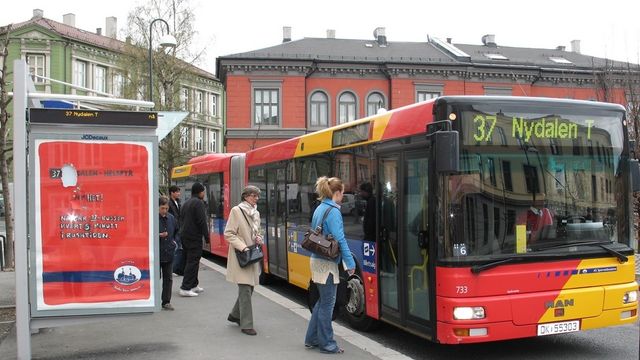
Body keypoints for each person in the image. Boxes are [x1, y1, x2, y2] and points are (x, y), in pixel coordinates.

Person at [304, 176, 356, 354]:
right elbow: (340, 238)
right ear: (337, 192)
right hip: (327, 263)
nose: (343, 195)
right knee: (327, 304)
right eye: (342, 192)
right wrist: (349, 262)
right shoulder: (333, 211)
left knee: (322, 302)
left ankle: (311, 338)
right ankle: (327, 343)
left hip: (317, 259)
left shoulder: (320, 208)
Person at [223, 185, 264, 336]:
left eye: (257, 196)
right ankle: (247, 324)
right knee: (245, 289)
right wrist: (243, 247)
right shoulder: (236, 211)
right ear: (246, 196)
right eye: (254, 195)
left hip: (252, 255)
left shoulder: (256, 213)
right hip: (241, 255)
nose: (256, 198)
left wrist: (259, 237)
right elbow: (229, 234)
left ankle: (235, 314)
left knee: (250, 287)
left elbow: (257, 231)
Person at [178, 182, 209, 297]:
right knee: (193, 262)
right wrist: (207, 237)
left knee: (190, 260)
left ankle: (194, 284)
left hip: (185, 236)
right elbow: (202, 222)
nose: (204, 193)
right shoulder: (198, 203)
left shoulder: (186, 203)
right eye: (203, 191)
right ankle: (185, 287)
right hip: (194, 237)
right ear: (200, 192)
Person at [158, 196, 179, 310]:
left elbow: (176, 231)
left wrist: (175, 242)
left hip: (169, 252)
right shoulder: (152, 218)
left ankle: (166, 301)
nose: (165, 211)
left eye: (166, 208)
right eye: (162, 208)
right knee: (157, 277)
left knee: (168, 278)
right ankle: (155, 300)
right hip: (157, 253)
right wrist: (158, 235)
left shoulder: (171, 218)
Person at [168, 185, 185, 276]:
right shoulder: (169, 203)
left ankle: (177, 269)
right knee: (177, 248)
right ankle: (172, 269)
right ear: (172, 193)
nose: (179, 193)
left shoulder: (178, 202)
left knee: (179, 248)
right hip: (174, 229)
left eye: (179, 192)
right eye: (177, 192)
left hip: (179, 228)